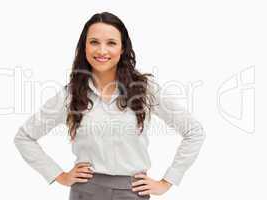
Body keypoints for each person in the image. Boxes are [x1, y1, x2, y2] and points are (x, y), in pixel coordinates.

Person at [14, 12, 206, 200]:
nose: (102, 51)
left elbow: (194, 131)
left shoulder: (144, 89)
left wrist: (167, 181)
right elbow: (24, 137)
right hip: (86, 191)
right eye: (94, 42)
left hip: (132, 192)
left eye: (111, 43)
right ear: (84, 47)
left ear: (122, 48)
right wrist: (60, 176)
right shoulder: (70, 95)